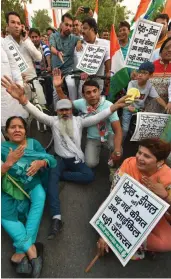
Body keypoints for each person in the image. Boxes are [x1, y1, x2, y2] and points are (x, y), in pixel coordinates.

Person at [1, 74, 129, 239]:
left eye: (67, 109)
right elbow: (33, 110)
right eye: (61, 110)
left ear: (71, 110)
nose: (65, 112)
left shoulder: (80, 121)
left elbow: (99, 116)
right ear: (57, 111)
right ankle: (56, 218)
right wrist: (22, 99)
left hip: (76, 160)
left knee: (89, 176)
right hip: (59, 160)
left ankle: (59, 175)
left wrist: (115, 106)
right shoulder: (52, 121)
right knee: (52, 188)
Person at [97, 138, 171, 259]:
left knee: (168, 242)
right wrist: (106, 234)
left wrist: (166, 196)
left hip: (153, 216)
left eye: (146, 156)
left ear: (160, 162)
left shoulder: (168, 177)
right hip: (124, 210)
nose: (139, 158)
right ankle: (123, 240)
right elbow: (114, 197)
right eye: (139, 152)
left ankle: (131, 243)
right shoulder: (128, 163)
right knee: (101, 212)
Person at [1, 116, 57, 277]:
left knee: (40, 196)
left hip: (32, 184)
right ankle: (32, 252)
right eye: (13, 127)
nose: (17, 130)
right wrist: (7, 164)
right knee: (3, 213)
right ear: (7, 132)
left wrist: (41, 162)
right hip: (10, 188)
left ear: (26, 131)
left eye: (21, 127)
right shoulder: (2, 149)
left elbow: (51, 160)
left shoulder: (33, 144)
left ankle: (19, 252)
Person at [54, 69, 123, 168]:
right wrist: (58, 88)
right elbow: (67, 103)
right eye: (88, 92)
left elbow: (118, 130)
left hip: (109, 136)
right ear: (84, 95)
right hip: (93, 138)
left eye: (95, 91)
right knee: (90, 164)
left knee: (118, 149)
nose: (92, 95)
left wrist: (117, 150)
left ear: (99, 91)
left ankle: (114, 166)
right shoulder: (82, 103)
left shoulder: (109, 105)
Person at [4, 11, 46, 105]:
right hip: (16, 86)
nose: (16, 26)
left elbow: (38, 57)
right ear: (7, 26)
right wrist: (16, 77)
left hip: (33, 82)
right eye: (13, 22)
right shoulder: (4, 44)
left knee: (41, 111)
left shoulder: (26, 41)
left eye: (18, 23)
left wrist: (26, 40)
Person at [122, 61, 168, 141]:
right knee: (125, 129)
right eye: (139, 72)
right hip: (128, 108)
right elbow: (129, 98)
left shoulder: (149, 86)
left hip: (139, 110)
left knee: (141, 130)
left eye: (144, 73)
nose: (140, 75)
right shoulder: (132, 83)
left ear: (150, 75)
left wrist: (167, 107)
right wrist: (130, 106)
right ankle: (120, 144)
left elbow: (158, 98)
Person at [74, 17, 110, 97]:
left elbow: (108, 58)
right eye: (82, 28)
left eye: (85, 28)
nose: (82, 31)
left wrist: (108, 72)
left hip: (98, 85)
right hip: (84, 86)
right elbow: (80, 62)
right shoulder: (79, 46)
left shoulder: (105, 44)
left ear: (92, 29)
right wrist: (84, 72)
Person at [50, 13, 82, 101]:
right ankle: (56, 111)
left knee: (71, 85)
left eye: (71, 26)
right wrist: (57, 52)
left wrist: (79, 42)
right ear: (61, 25)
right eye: (66, 25)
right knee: (56, 92)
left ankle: (73, 107)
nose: (69, 28)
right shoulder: (54, 36)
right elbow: (51, 47)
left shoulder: (74, 38)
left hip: (69, 69)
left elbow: (81, 39)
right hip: (57, 70)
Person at [1, 38, 28, 129]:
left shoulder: (6, 43)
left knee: (12, 126)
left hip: (9, 94)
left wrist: (19, 84)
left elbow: (15, 67)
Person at [145, 38, 171, 114]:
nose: (169, 50)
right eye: (167, 48)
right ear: (160, 52)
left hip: (168, 110)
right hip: (149, 108)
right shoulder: (150, 66)